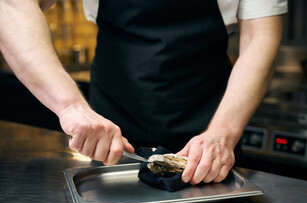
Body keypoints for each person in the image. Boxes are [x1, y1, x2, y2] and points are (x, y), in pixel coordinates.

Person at [0, 0, 287, 185]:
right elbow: (11, 7)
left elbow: (261, 34)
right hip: (112, 133)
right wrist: (71, 107)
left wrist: (222, 135)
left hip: (211, 129)